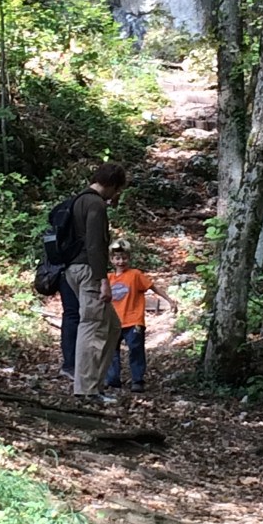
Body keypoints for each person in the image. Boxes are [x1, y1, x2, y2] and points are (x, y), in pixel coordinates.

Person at [65, 162, 127, 404]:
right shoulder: (96, 204)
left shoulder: (79, 199)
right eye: (117, 189)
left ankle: (95, 384)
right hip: (89, 271)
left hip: (73, 268)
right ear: (111, 184)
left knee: (111, 326)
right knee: (92, 327)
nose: (116, 195)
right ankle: (87, 390)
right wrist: (104, 280)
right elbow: (95, 245)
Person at [105, 238, 177, 393]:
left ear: (129, 258)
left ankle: (137, 380)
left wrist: (169, 300)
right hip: (113, 322)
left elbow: (153, 287)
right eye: (117, 258)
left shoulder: (135, 275)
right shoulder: (108, 278)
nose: (121, 261)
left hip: (133, 320)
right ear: (111, 260)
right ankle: (112, 379)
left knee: (136, 350)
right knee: (111, 351)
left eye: (124, 258)